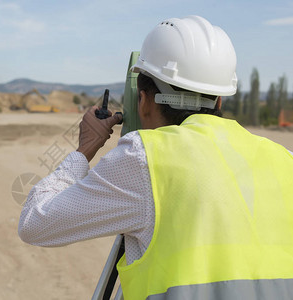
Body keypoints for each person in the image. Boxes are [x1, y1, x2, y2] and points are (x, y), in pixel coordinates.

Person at [18, 15, 293, 299]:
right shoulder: (285, 159)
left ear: (144, 99)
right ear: (220, 100)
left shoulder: (145, 158)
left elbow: (35, 224)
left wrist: (84, 150)